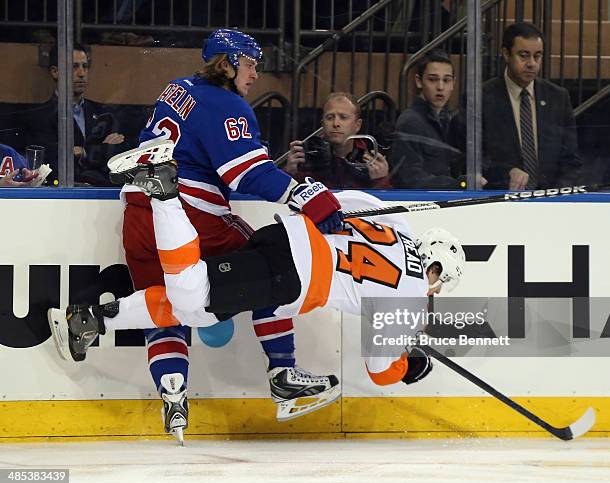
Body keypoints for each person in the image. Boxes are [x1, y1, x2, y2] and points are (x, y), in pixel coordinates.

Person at [49, 156, 466, 424]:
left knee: (205, 309)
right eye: (440, 285)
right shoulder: (413, 300)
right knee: (192, 298)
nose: (435, 292)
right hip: (291, 274)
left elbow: (336, 201)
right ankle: (165, 196)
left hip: (281, 239)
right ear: (438, 273)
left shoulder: (397, 225)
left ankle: (93, 321)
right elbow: (381, 370)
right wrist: (411, 363)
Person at [115, 29, 343, 442]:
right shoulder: (227, 104)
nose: (256, 73)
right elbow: (245, 173)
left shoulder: (178, 88)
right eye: (250, 63)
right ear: (227, 63)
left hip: (138, 212)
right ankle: (282, 372)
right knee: (273, 264)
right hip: (191, 213)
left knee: (163, 304)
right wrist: (305, 193)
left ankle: (173, 395)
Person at [482, 22, 581, 190]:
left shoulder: (558, 97)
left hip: (551, 202)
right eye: (524, 55)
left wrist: (557, 196)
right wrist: (506, 173)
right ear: (506, 54)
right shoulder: (482, 96)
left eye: (537, 56)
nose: (532, 63)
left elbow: (571, 160)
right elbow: (472, 157)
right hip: (500, 199)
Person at [21, 44, 127, 186]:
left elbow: (120, 157)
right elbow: (53, 164)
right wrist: (101, 149)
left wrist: (82, 152)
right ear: (55, 72)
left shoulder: (103, 112)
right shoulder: (39, 117)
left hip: (104, 193)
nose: (82, 73)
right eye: (74, 66)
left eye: (85, 66)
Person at [390, 50, 468, 189]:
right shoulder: (410, 122)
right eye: (433, 79)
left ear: (453, 83)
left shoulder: (449, 120)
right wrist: (457, 184)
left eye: (446, 80)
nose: (440, 87)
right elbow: (408, 178)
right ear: (419, 81)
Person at [286, 92, 391, 189]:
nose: (336, 123)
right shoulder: (308, 156)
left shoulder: (371, 157)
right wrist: (289, 174)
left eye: (343, 117)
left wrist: (381, 180)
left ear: (357, 125)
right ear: (323, 124)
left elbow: (389, 203)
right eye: (330, 117)